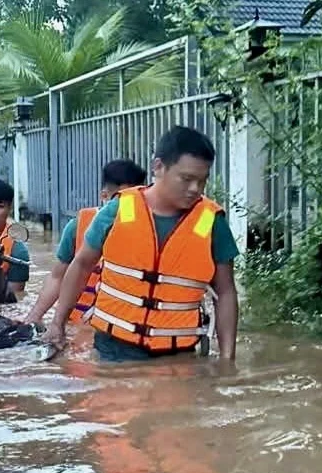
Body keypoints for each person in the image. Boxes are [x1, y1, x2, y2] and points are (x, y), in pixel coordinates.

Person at [42, 126, 239, 361]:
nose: (195, 189)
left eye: (202, 180)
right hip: (112, 349)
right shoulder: (118, 209)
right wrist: (57, 322)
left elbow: (226, 292)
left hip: (178, 354)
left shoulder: (212, 222)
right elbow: (82, 265)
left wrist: (228, 361)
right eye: (186, 179)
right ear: (158, 167)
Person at [23, 159, 147, 325]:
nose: (127, 207)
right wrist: (34, 317)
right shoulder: (77, 226)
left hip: (120, 327)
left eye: (135, 199)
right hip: (76, 324)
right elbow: (57, 277)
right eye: (122, 199)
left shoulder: (149, 233)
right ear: (104, 196)